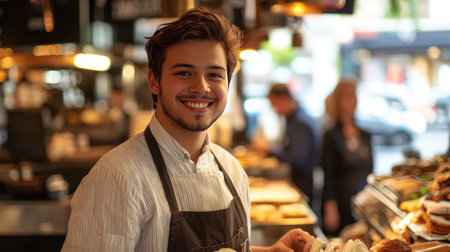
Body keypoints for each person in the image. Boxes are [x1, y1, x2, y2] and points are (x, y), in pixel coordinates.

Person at [62, 8, 315, 252]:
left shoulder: (232, 170)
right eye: (184, 73)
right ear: (154, 81)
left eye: (215, 75)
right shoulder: (116, 179)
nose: (201, 87)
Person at [320, 77, 373, 237]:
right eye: (348, 96)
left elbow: (371, 173)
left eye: (355, 95)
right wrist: (330, 208)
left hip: (362, 204)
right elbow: (328, 175)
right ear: (339, 100)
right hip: (339, 203)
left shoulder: (365, 134)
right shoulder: (331, 135)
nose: (353, 100)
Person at [259, 83, 320, 203]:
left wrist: (270, 149)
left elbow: (297, 159)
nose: (274, 110)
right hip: (298, 180)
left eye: (274, 105)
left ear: (283, 98)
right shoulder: (292, 119)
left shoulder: (300, 123)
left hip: (302, 184)